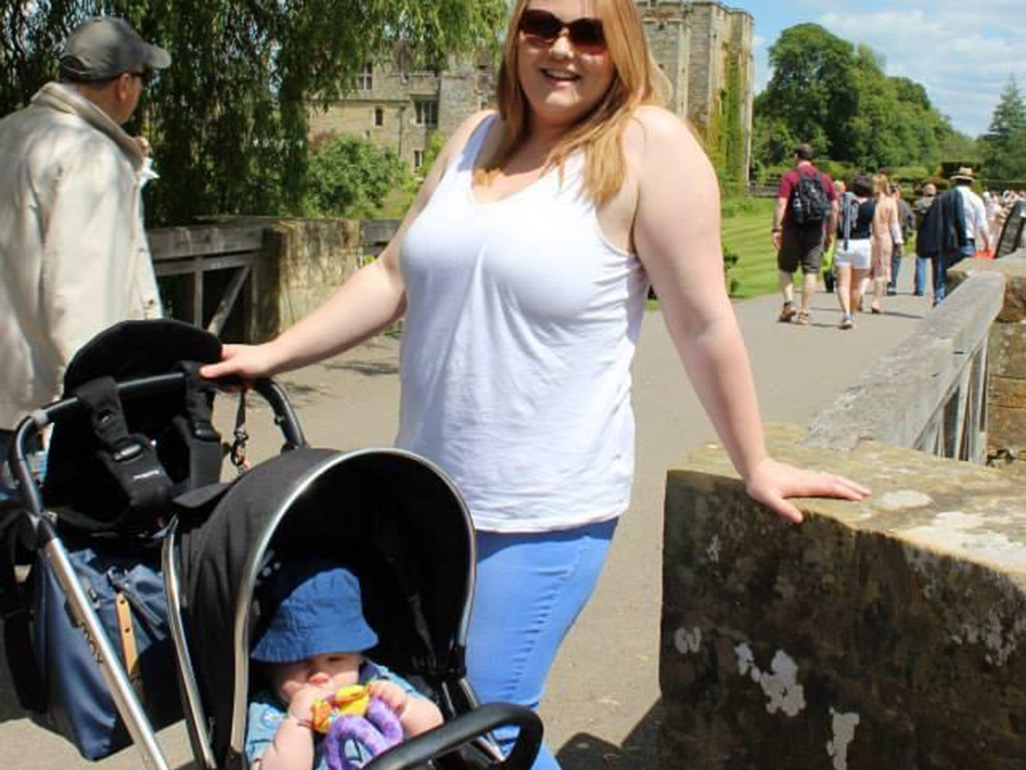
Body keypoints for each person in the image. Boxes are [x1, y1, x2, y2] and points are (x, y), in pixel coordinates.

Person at [201, 2, 870, 767]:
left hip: (541, 514)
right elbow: (392, 277)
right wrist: (273, 353)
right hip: (424, 499)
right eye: (541, 25)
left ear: (620, 46)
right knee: (442, 715)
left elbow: (704, 323)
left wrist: (755, 461)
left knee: (479, 730)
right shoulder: (476, 137)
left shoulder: (650, 147)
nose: (561, 48)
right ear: (516, 34)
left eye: (587, 33)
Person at [0, 16, 168, 500]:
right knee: (64, 568)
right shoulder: (91, 158)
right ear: (123, 84)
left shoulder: (13, 133)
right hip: (45, 419)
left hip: (8, 403)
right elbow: (83, 309)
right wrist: (108, 426)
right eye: (144, 81)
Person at [245, 561, 444, 770]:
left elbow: (436, 731)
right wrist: (297, 723)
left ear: (359, 657)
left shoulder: (373, 680)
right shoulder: (270, 711)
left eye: (335, 660)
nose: (319, 674)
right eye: (299, 661)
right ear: (270, 666)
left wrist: (404, 708)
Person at [771, 143, 839, 325]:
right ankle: (805, 313)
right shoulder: (824, 179)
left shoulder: (790, 177)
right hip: (816, 229)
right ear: (812, 158)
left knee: (785, 268)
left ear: (796, 156)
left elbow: (781, 204)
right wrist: (830, 232)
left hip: (792, 228)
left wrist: (776, 229)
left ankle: (789, 303)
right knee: (810, 270)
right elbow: (834, 208)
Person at [833, 175, 875, 329]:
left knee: (843, 284)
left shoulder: (843, 202)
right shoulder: (871, 206)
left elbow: (834, 221)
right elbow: (875, 230)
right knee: (857, 286)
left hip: (844, 243)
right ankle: (852, 315)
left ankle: (846, 315)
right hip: (863, 244)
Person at [917, 184, 968, 305]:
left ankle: (937, 296)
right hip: (957, 239)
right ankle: (951, 299)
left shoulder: (941, 198)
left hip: (938, 238)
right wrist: (963, 239)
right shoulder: (963, 197)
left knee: (937, 268)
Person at [868, 173, 900, 314]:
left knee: (864, 270)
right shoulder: (890, 202)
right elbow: (894, 224)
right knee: (881, 271)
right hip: (884, 237)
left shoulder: (867, 201)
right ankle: (876, 300)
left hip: (867, 237)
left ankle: (860, 295)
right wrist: (899, 241)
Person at [950, 167, 992, 258]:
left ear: (956, 181)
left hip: (946, 240)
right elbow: (982, 224)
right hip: (966, 239)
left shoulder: (945, 198)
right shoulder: (975, 199)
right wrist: (987, 244)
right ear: (971, 183)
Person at [886, 184, 914, 295]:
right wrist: (909, 231)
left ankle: (885, 282)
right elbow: (911, 219)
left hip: (884, 235)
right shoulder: (904, 204)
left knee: (884, 261)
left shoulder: (882, 203)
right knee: (895, 261)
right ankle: (892, 284)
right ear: (898, 193)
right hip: (899, 235)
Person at [912, 183, 937, 296]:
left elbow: (915, 222)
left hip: (923, 234)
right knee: (936, 264)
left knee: (921, 263)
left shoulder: (918, 203)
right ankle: (937, 288)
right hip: (936, 236)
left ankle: (920, 288)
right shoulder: (939, 203)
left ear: (924, 191)